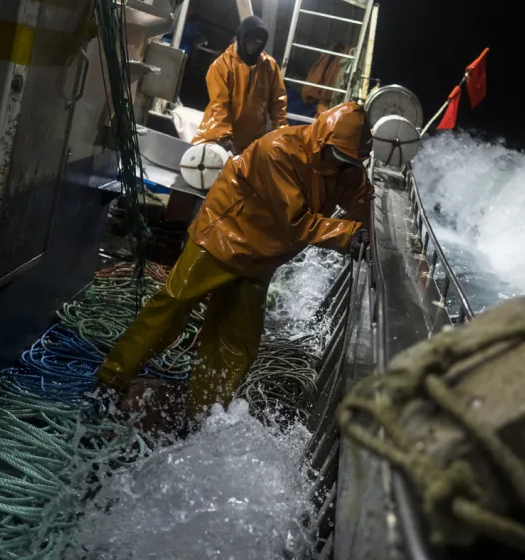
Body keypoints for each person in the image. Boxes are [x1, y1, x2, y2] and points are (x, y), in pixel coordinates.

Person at [98, 101, 374, 424]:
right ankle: (111, 378)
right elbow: (295, 222)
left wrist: (367, 227)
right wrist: (348, 234)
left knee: (238, 339)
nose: (342, 167)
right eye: (338, 158)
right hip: (223, 235)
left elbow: (360, 199)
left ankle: (203, 410)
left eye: (350, 162)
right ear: (322, 141)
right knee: (171, 307)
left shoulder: (345, 165)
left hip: (261, 257)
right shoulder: (280, 151)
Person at [192, 16, 288, 155]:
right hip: (218, 139)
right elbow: (219, 105)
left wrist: (282, 137)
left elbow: (278, 106)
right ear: (241, 37)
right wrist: (223, 135)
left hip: (250, 145)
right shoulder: (222, 65)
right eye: (250, 40)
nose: (254, 45)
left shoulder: (270, 67)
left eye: (258, 41)